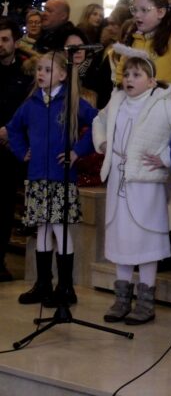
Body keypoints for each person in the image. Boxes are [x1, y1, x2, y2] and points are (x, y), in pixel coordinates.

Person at [92, 53, 171, 324]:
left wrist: (166, 157)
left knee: (146, 239)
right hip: (119, 180)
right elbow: (99, 121)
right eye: (126, 75)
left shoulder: (163, 104)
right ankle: (121, 299)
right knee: (121, 237)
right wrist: (103, 143)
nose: (129, 80)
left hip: (146, 185)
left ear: (151, 81)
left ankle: (146, 302)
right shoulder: (117, 101)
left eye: (137, 75)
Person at [5, 51, 97, 307]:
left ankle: (65, 287)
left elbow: (98, 123)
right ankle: (43, 283)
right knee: (43, 228)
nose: (41, 74)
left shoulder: (72, 102)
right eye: (39, 69)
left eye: (47, 70)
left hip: (60, 178)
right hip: (37, 177)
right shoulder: (31, 103)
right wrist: (22, 151)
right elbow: (13, 128)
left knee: (60, 228)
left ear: (63, 75)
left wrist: (77, 151)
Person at [0, 18, 33, 281]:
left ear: (15, 42)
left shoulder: (26, 72)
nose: (0, 45)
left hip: (11, 150)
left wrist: (9, 131)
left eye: (4, 39)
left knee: (4, 208)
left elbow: (28, 108)